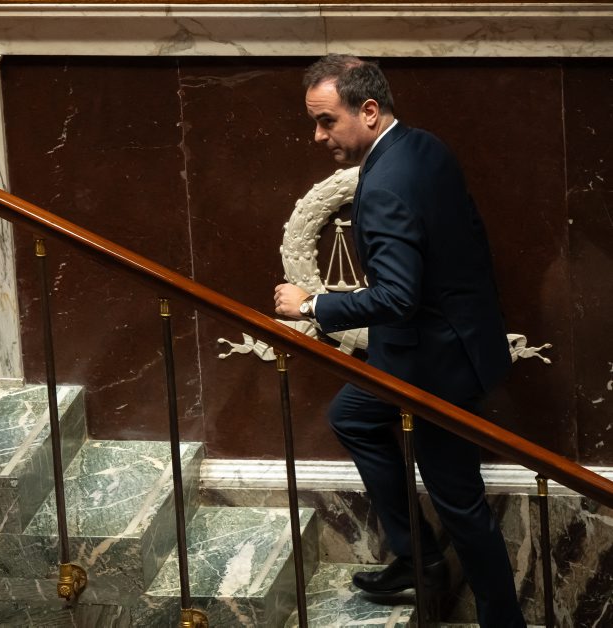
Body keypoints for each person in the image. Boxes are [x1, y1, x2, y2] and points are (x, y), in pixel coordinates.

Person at [273, 54, 526, 627]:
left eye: (327, 121)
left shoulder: (387, 183)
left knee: (460, 504)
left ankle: (503, 620)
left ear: (368, 110)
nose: (318, 136)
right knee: (352, 416)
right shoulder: (422, 145)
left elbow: (395, 297)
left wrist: (311, 305)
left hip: (436, 368)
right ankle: (418, 557)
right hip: (438, 343)